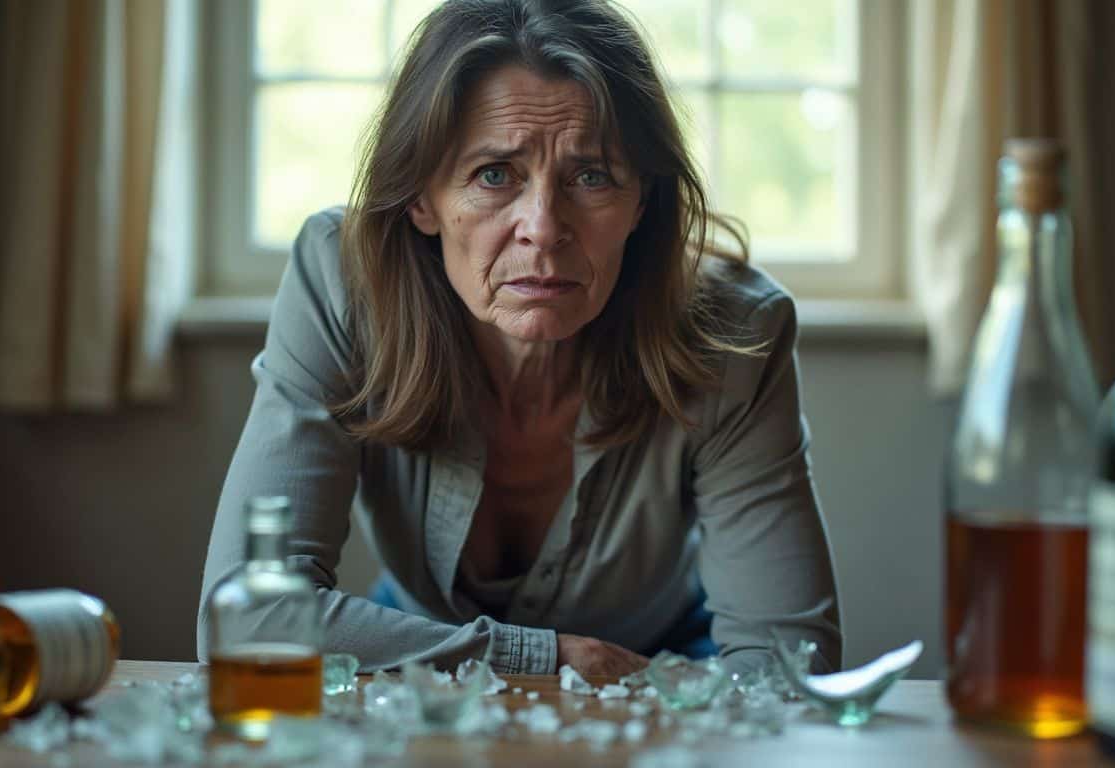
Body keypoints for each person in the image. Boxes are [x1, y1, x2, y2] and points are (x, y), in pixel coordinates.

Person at [197, 0, 840, 678]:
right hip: (422, 651)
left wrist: (635, 679)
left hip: (658, 665)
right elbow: (246, 623)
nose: (543, 227)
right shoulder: (342, 281)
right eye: (494, 175)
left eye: (591, 176)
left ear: (642, 201)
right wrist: (544, 658)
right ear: (422, 197)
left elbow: (791, 670)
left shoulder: (735, 331)